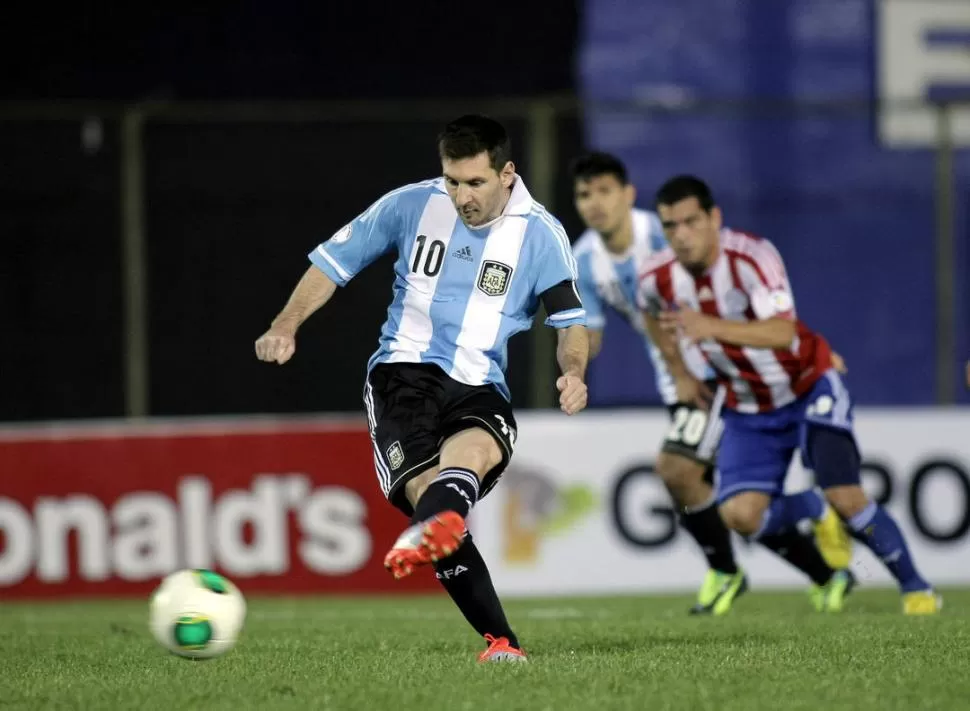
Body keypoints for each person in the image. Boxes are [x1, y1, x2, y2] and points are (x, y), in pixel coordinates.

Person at [255, 115, 590, 661]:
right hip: (401, 377)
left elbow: (570, 321)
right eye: (452, 181)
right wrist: (285, 324)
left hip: (480, 379)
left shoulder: (542, 234)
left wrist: (573, 372)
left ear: (507, 174)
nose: (461, 196)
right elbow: (332, 264)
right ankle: (497, 634)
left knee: (474, 456)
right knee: (429, 490)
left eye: (475, 183)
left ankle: (439, 538)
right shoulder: (410, 204)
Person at [639, 174, 941, 615]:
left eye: (691, 222)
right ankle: (814, 508)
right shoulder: (657, 275)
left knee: (848, 497)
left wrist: (710, 327)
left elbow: (782, 332)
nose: (681, 236)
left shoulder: (752, 257)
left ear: (714, 218)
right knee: (740, 516)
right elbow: (650, 314)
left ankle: (917, 590)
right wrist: (680, 371)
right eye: (670, 226)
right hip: (745, 406)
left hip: (807, 387)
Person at [571, 152, 852, 614]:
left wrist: (812, 350)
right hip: (685, 381)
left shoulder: (667, 231)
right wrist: (572, 353)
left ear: (627, 194)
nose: (595, 203)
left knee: (678, 471)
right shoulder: (584, 259)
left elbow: (743, 291)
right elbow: (607, 326)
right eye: (584, 195)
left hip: (724, 375)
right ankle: (825, 571)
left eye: (604, 191)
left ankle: (727, 569)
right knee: (734, 502)